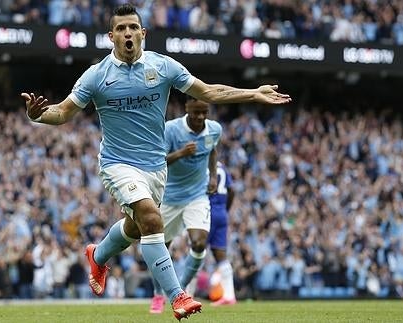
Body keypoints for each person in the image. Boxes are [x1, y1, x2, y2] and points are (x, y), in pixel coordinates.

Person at [21, 3, 290, 320]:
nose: (127, 33)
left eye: (133, 27)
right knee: (151, 219)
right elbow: (63, 112)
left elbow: (209, 92)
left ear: (142, 33)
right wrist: (38, 115)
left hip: (155, 168)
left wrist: (252, 93)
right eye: (121, 29)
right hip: (117, 163)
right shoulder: (96, 76)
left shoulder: (163, 67)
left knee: (136, 228)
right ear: (112, 36)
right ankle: (177, 296)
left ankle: (100, 254)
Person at [149, 98, 221, 314]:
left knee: (199, 243)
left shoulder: (215, 129)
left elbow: (213, 151)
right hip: (170, 197)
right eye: (196, 112)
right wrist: (180, 153)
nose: (200, 117)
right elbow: (157, 161)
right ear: (187, 109)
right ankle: (157, 294)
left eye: (204, 113)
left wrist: (214, 176)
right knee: (160, 247)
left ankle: (181, 292)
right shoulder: (171, 130)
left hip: (197, 196)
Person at [207, 161, 237, 306]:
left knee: (195, 251)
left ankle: (188, 294)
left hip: (206, 211)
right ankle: (229, 296)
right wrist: (226, 209)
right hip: (221, 213)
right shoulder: (223, 167)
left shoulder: (205, 165)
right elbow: (232, 190)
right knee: (221, 255)